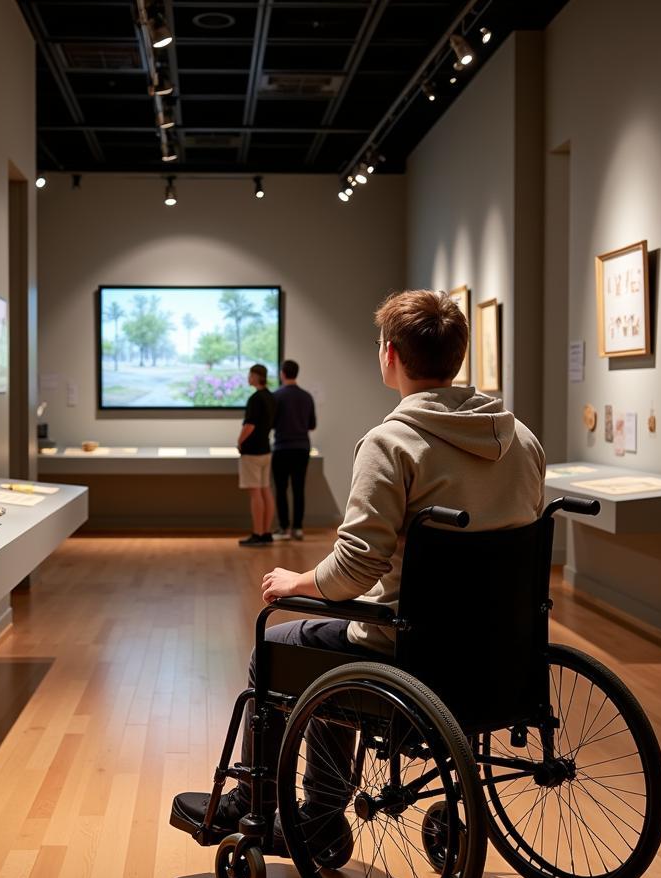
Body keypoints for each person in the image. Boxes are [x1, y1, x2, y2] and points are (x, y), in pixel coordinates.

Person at [172, 289, 545, 845]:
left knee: (281, 646)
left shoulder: (392, 444)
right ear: (458, 355)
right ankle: (319, 813)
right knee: (322, 643)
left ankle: (275, 807)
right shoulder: (521, 439)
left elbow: (357, 564)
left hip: (410, 651)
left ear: (389, 355)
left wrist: (296, 581)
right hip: (499, 651)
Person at [271, 359, 316, 540]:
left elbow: (271, 423)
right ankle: (298, 528)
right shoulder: (306, 397)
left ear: (282, 373)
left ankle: (283, 528)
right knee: (299, 489)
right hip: (302, 448)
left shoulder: (276, 396)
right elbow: (312, 425)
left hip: (282, 447)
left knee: (281, 489)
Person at [236, 363, 276, 547]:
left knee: (255, 494)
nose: (248, 377)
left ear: (256, 376)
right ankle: (267, 532)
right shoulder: (270, 397)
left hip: (252, 452)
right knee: (265, 490)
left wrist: (239, 441)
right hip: (265, 450)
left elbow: (249, 425)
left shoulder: (255, 398)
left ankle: (258, 533)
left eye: (250, 374)